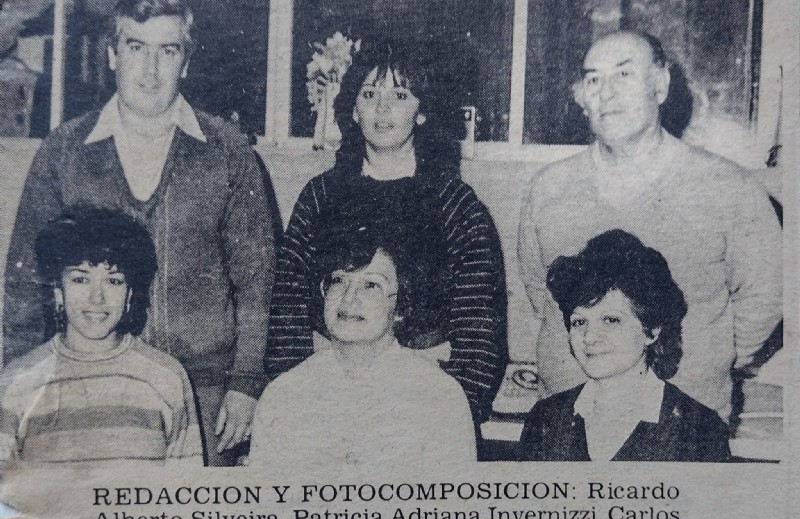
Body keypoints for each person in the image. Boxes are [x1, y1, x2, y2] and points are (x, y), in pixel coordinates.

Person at [3, 0, 276, 466]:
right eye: (136, 47)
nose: (150, 70)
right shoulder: (64, 152)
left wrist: (246, 384)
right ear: (112, 54)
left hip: (206, 395)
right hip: (86, 393)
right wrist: (21, 390)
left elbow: (258, 279)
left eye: (167, 51)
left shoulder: (228, 153)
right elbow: (25, 284)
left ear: (186, 62)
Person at [517, 30, 782, 421]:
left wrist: (704, 360)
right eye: (594, 79)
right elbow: (541, 292)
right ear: (582, 99)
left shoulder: (729, 188)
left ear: (660, 85)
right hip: (568, 421)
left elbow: (769, 294)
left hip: (683, 426)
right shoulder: (547, 189)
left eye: (624, 75)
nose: (606, 92)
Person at [265, 39, 508, 426]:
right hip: (325, 400)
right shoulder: (320, 195)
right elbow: (286, 314)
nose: (382, 108)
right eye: (369, 94)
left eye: (399, 94)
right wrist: (294, 405)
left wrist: (450, 415)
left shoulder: (455, 204)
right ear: (354, 111)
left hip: (422, 406)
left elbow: (480, 337)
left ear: (422, 111)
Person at [250, 222, 476, 473]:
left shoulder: (440, 397)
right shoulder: (282, 396)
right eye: (338, 281)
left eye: (370, 285)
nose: (348, 298)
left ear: (400, 306)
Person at [0, 206, 202, 466]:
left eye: (113, 281)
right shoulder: (18, 381)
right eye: (81, 280)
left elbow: (186, 490)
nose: (97, 298)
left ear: (129, 295)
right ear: (58, 292)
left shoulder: (166, 377)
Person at [517, 230, 731, 462]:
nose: (589, 337)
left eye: (610, 320)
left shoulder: (700, 430)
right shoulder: (544, 419)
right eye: (579, 322)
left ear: (651, 330)